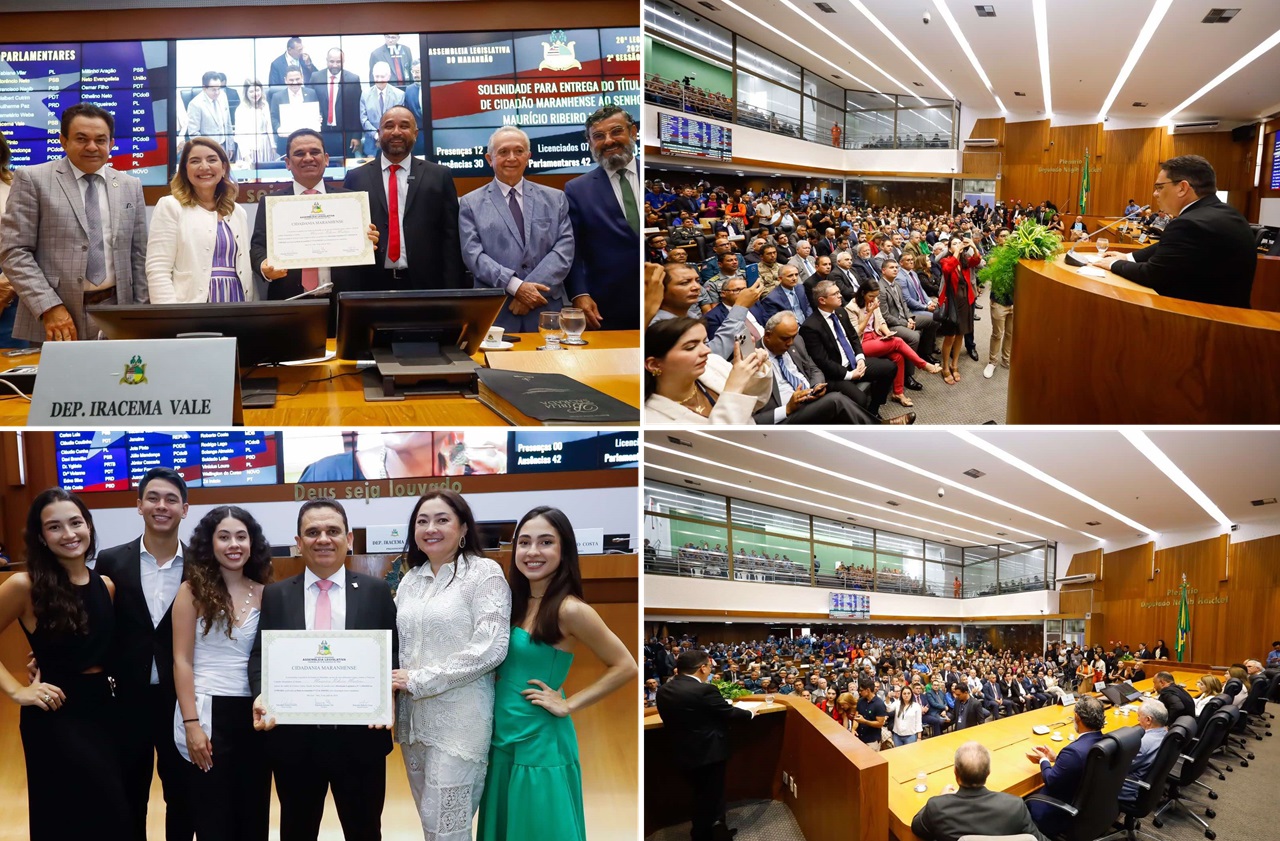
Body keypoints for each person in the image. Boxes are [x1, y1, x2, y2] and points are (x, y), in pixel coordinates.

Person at [479, 507, 637, 841]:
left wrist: (569, 703)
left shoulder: (571, 609)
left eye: (546, 542)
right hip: (501, 735)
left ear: (564, 550)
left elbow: (625, 666)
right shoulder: (511, 603)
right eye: (524, 542)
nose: (532, 551)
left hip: (540, 739)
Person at [249, 500, 399, 841]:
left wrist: (387, 692)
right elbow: (260, 654)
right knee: (297, 832)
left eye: (333, 531)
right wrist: (261, 692)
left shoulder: (376, 591)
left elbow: (392, 651)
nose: (323, 539)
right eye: (312, 532)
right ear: (298, 543)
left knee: (365, 832)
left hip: (361, 740)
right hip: (295, 742)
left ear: (349, 539)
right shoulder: (276, 595)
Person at [0, 488, 132, 840]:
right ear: (41, 537)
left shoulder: (106, 586)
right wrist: (17, 691)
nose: (69, 533)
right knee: (67, 819)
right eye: (54, 527)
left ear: (88, 526)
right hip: (56, 713)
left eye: (76, 522)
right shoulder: (24, 585)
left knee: (114, 818)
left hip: (105, 710)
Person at [392, 491, 512, 840]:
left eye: (442, 520)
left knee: (448, 829)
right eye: (422, 521)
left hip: (459, 724)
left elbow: (491, 647)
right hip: (414, 726)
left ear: (463, 529)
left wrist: (419, 680)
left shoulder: (484, 573)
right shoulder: (410, 580)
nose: (431, 528)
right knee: (431, 827)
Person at [90, 468, 193, 841]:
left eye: (171, 499)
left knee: (183, 795)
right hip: (124, 699)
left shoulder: (202, 564)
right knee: (127, 794)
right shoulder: (110, 561)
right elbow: (94, 623)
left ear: (185, 509)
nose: (161, 506)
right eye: (153, 498)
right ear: (138, 505)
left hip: (181, 701)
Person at [1, 103, 148, 343]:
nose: (92, 147)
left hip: (118, 313)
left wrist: (140, 314)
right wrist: (49, 306)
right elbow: (14, 251)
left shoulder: (130, 185)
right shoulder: (32, 179)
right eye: (81, 139)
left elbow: (139, 255)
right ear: (63, 141)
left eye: (100, 140)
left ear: (111, 144)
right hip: (56, 319)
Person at [171, 506, 272, 840]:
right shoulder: (191, 592)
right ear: (209, 543)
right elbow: (181, 661)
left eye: (241, 537)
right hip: (206, 711)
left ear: (252, 543)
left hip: (254, 714)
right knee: (212, 816)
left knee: (253, 813)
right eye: (224, 537)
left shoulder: (265, 593)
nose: (234, 544)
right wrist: (191, 725)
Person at [251, 129, 378, 332]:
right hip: (290, 301)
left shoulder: (350, 201)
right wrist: (264, 266)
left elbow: (367, 250)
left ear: (326, 159)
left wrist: (369, 240)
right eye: (299, 153)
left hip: (342, 302)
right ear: (287, 163)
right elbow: (258, 246)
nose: (308, 158)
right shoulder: (272, 203)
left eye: (315, 152)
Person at [1099, 155, 1255, 307]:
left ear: (1182, 188)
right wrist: (1129, 257)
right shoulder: (1228, 214)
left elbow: (1152, 275)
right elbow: (1169, 246)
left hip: (1203, 317)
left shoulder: (1189, 223)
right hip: (1229, 312)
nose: (1155, 194)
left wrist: (1114, 264)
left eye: (1159, 187)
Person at [459, 126, 574, 332]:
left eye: (519, 151)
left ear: (528, 156)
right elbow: (473, 256)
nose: (511, 158)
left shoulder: (555, 198)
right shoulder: (470, 203)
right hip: (496, 311)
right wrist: (516, 287)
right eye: (503, 152)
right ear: (489, 159)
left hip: (545, 307)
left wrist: (528, 292)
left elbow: (564, 250)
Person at [344, 105, 465, 291]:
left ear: (415, 134)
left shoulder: (439, 176)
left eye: (404, 126)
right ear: (379, 133)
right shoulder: (356, 178)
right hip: (371, 286)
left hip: (426, 286)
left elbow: (451, 238)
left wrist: (453, 290)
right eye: (389, 126)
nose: (396, 132)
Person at [655, 649, 754, 841]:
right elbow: (728, 712)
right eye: (709, 666)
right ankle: (712, 836)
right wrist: (750, 713)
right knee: (713, 797)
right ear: (702, 668)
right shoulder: (704, 690)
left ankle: (705, 833)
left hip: (682, 751)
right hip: (709, 752)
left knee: (700, 795)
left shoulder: (664, 689)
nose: (710, 670)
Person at [146, 137, 254, 303]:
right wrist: (168, 313)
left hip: (236, 302)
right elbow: (158, 268)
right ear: (185, 170)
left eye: (212, 160)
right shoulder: (170, 206)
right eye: (195, 161)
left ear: (224, 167)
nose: (204, 167)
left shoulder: (237, 212)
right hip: (190, 308)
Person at [564, 106, 641, 330]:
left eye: (616, 131)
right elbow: (572, 249)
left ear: (633, 132)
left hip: (661, 296)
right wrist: (579, 293)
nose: (608, 141)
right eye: (598, 136)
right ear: (590, 142)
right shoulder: (577, 189)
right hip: (606, 306)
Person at [644, 316, 769, 424]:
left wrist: (754, 369)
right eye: (690, 347)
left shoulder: (713, 363)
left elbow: (756, 403)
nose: (707, 350)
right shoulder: (650, 418)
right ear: (654, 364)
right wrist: (733, 388)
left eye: (704, 342)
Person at [911, 742, 1047, 841]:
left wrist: (941, 797)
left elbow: (917, 828)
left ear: (955, 773)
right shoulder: (1015, 806)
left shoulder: (937, 806)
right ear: (988, 772)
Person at [848, 279, 940, 409]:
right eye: (871, 296)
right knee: (898, 341)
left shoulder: (874, 301)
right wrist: (869, 312)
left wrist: (887, 333)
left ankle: (898, 393)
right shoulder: (851, 307)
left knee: (898, 356)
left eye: (876, 296)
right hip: (862, 343)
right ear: (862, 293)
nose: (874, 299)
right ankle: (923, 365)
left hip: (876, 336)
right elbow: (856, 332)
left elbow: (881, 321)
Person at [1026, 695, 1106, 838]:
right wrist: (1057, 758)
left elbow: (1051, 780)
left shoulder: (1074, 752)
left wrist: (1043, 760)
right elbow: (1081, 763)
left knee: (1021, 802)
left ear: (1077, 717)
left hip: (1061, 810)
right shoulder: (1102, 740)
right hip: (1091, 805)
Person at [936, 236, 981, 384]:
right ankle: (945, 367)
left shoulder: (964, 261)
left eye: (959, 243)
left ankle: (954, 364)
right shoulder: (946, 260)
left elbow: (977, 261)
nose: (958, 245)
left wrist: (973, 246)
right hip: (952, 303)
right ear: (949, 248)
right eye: (954, 244)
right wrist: (956, 252)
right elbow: (948, 268)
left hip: (965, 302)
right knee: (950, 336)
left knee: (961, 334)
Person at [310, 48, 362, 159]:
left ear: (343, 61)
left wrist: (356, 136)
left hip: (345, 135)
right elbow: (310, 102)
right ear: (326, 60)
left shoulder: (353, 79)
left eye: (338, 62)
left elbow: (357, 109)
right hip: (321, 133)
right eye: (332, 61)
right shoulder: (316, 77)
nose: (335, 65)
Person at [1118, 699, 1169, 809]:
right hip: (1148, 785)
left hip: (1130, 788)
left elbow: (1122, 768)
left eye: (1139, 716)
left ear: (1148, 720)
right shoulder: (1166, 734)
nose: (1137, 719)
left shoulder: (1144, 744)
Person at [0, 130, 23, 347]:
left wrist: (7, 285)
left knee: (11, 363)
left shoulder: (18, 185)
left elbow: (34, 241)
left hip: (9, 294)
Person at [268, 67, 320, 157]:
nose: (295, 82)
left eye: (297, 79)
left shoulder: (311, 93)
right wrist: (279, 129)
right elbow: (273, 117)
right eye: (291, 80)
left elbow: (319, 112)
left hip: (308, 140)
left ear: (302, 78)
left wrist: (318, 118)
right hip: (286, 141)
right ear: (285, 80)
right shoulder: (277, 97)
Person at [184, 72, 237, 160]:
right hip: (207, 150)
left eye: (219, 88)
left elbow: (228, 123)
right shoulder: (195, 104)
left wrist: (231, 146)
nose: (217, 92)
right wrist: (207, 151)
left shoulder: (223, 96)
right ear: (204, 88)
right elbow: (194, 133)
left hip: (224, 147)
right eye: (213, 89)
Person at [358, 62, 405, 156]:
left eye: (382, 76)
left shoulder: (399, 95)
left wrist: (385, 136)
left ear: (389, 76)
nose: (379, 80)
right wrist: (377, 135)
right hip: (371, 146)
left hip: (392, 143)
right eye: (377, 76)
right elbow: (364, 120)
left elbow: (399, 119)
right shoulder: (365, 94)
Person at [234, 80, 277, 169]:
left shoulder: (265, 104)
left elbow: (269, 126)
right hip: (249, 149)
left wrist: (273, 146)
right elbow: (240, 136)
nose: (255, 94)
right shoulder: (241, 109)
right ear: (246, 93)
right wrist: (246, 156)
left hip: (265, 146)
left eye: (257, 90)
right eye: (251, 91)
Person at [853, 676, 888, 751]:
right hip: (859, 738)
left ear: (868, 690)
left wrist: (865, 721)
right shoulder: (860, 701)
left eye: (861, 690)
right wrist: (853, 729)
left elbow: (880, 724)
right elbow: (856, 717)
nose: (859, 692)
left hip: (872, 740)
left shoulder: (879, 704)